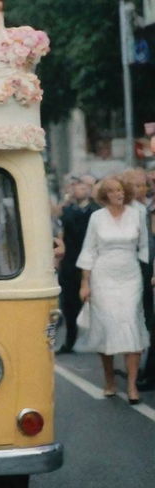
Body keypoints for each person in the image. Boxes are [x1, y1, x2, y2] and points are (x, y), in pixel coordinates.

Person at [76, 177, 150, 404]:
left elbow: (145, 246)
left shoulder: (137, 214)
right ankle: (109, 380)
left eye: (120, 190)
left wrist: (147, 270)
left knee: (130, 323)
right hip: (103, 276)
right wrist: (85, 283)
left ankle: (131, 386)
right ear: (105, 196)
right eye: (112, 191)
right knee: (107, 326)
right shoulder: (96, 218)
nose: (117, 194)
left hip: (130, 277)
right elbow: (89, 250)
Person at [56, 176, 98, 354]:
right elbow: (61, 231)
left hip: (92, 261)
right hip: (70, 262)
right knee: (69, 304)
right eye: (77, 187)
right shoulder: (68, 210)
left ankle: (98, 340)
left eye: (84, 187)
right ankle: (70, 340)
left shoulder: (96, 211)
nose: (80, 190)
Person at [123, 168, 155, 391]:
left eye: (141, 185)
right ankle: (140, 369)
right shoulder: (126, 211)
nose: (139, 189)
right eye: (133, 185)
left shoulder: (149, 208)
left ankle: (146, 371)